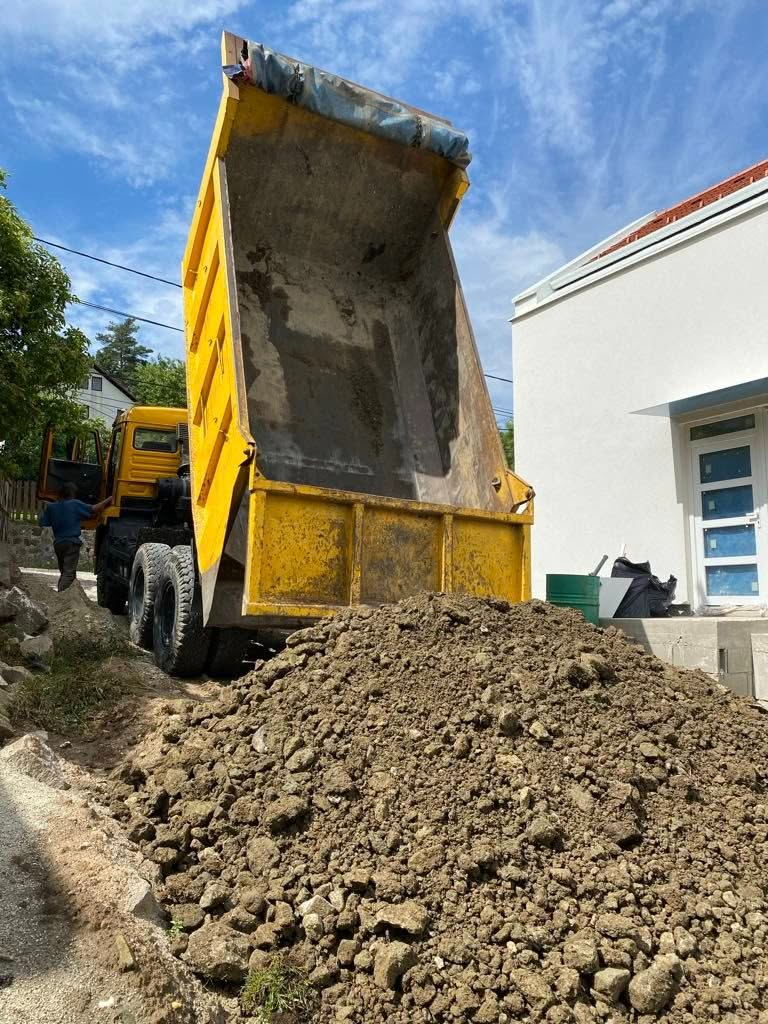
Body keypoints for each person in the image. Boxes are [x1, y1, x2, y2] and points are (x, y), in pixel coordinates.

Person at [40, 483, 113, 592]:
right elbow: (93, 509)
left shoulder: (51, 507)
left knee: (64, 572)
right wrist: (110, 499)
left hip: (58, 544)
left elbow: (43, 523)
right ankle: (61, 595)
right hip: (71, 543)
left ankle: (64, 594)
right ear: (71, 494)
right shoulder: (74, 504)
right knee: (69, 574)